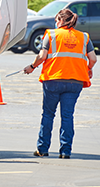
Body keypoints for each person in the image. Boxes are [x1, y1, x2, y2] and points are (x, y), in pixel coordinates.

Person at [24, 8, 97, 159]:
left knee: (48, 114)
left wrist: (31, 67)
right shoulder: (84, 37)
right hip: (75, 81)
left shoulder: (51, 34)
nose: (55, 22)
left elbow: (42, 55)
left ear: (62, 20)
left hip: (53, 79)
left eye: (57, 19)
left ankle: (42, 149)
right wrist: (88, 68)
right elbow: (94, 59)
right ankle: (65, 151)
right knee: (67, 116)